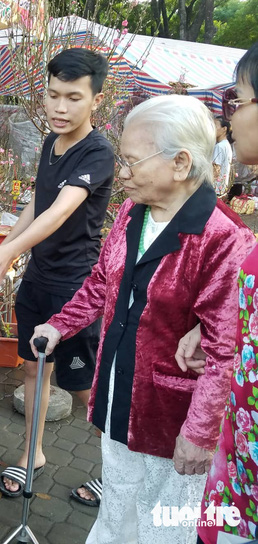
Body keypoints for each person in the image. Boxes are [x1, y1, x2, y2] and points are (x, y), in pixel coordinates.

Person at [31, 94, 254, 544]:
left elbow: (223, 347)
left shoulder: (224, 239)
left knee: (165, 526)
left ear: (180, 163)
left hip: (170, 419)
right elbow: (101, 282)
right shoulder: (134, 213)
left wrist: (199, 431)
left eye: (132, 162)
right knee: (116, 510)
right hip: (117, 396)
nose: (123, 173)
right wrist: (60, 324)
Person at [0, 47, 114, 502]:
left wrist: (11, 249)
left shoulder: (97, 153)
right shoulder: (52, 144)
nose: (59, 107)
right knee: (35, 373)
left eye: (73, 97)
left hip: (76, 289)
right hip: (39, 279)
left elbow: (60, 211)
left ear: (96, 98)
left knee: (83, 390)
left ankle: (117, 473)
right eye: (53, 95)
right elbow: (37, 203)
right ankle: (32, 454)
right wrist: (8, 252)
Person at [175, 42, 258, 544]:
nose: (232, 115)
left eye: (240, 100)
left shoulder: (223, 226)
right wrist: (215, 326)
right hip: (242, 456)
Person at [212, 115, 233, 194]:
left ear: (224, 129)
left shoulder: (219, 146)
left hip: (215, 188)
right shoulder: (226, 145)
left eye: (215, 125)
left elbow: (215, 170)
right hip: (222, 188)